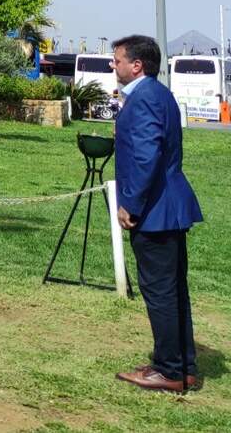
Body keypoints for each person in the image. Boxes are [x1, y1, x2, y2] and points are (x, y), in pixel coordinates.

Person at [110, 35, 203, 394]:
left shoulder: (145, 97)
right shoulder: (158, 93)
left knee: (160, 291)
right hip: (167, 207)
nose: (113, 65)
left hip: (155, 210)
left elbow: (147, 155)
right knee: (173, 289)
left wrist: (130, 204)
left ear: (137, 65)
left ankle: (169, 370)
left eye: (117, 60)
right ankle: (183, 365)